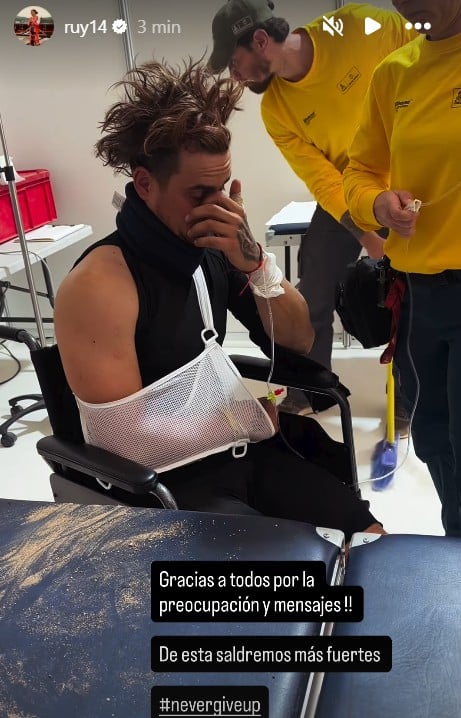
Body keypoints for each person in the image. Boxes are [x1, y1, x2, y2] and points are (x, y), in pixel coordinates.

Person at [54, 59, 384, 541]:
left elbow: (297, 339)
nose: (218, 206)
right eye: (199, 193)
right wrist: (240, 418)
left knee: (370, 538)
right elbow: (127, 444)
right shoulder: (99, 285)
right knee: (293, 570)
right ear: (145, 185)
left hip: (242, 454)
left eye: (223, 188)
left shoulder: (214, 248)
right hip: (165, 486)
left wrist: (254, 262)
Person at [208, 0, 414, 421]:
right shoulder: (276, 109)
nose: (235, 76)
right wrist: (369, 236)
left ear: (260, 41)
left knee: (417, 292)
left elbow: (431, 61)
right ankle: (311, 390)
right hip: (350, 193)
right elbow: (325, 182)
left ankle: (412, 400)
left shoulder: (360, 26)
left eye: (234, 62)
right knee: (315, 280)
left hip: (414, 179)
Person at [343, 0, 461, 536]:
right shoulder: (396, 72)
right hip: (417, 296)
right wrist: (377, 202)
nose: (408, 4)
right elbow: (359, 171)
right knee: (433, 435)